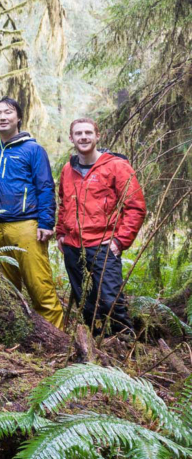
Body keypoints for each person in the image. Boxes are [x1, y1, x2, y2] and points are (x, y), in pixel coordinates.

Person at [0, 97, 64, 329]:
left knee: (39, 285)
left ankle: (57, 337)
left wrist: (46, 222)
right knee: (5, 288)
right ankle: (17, 334)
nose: (2, 117)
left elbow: (45, 187)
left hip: (26, 227)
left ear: (19, 117)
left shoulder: (33, 150)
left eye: (8, 112)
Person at [56, 118, 146, 336]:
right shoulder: (68, 169)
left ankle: (126, 347)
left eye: (88, 133)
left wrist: (120, 241)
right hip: (73, 246)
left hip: (104, 245)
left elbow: (135, 207)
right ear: (71, 138)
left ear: (98, 136)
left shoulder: (116, 166)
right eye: (78, 133)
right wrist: (61, 233)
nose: (83, 137)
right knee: (85, 303)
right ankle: (96, 347)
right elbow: (64, 202)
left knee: (110, 301)